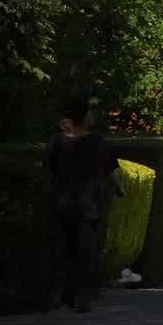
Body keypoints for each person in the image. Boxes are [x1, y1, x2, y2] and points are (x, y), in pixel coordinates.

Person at [45, 100, 120, 312]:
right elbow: (111, 169)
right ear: (84, 118)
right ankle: (81, 296)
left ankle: (64, 295)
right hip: (89, 202)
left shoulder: (57, 142)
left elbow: (47, 168)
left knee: (66, 248)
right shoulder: (97, 142)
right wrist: (119, 189)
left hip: (63, 201)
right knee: (86, 250)